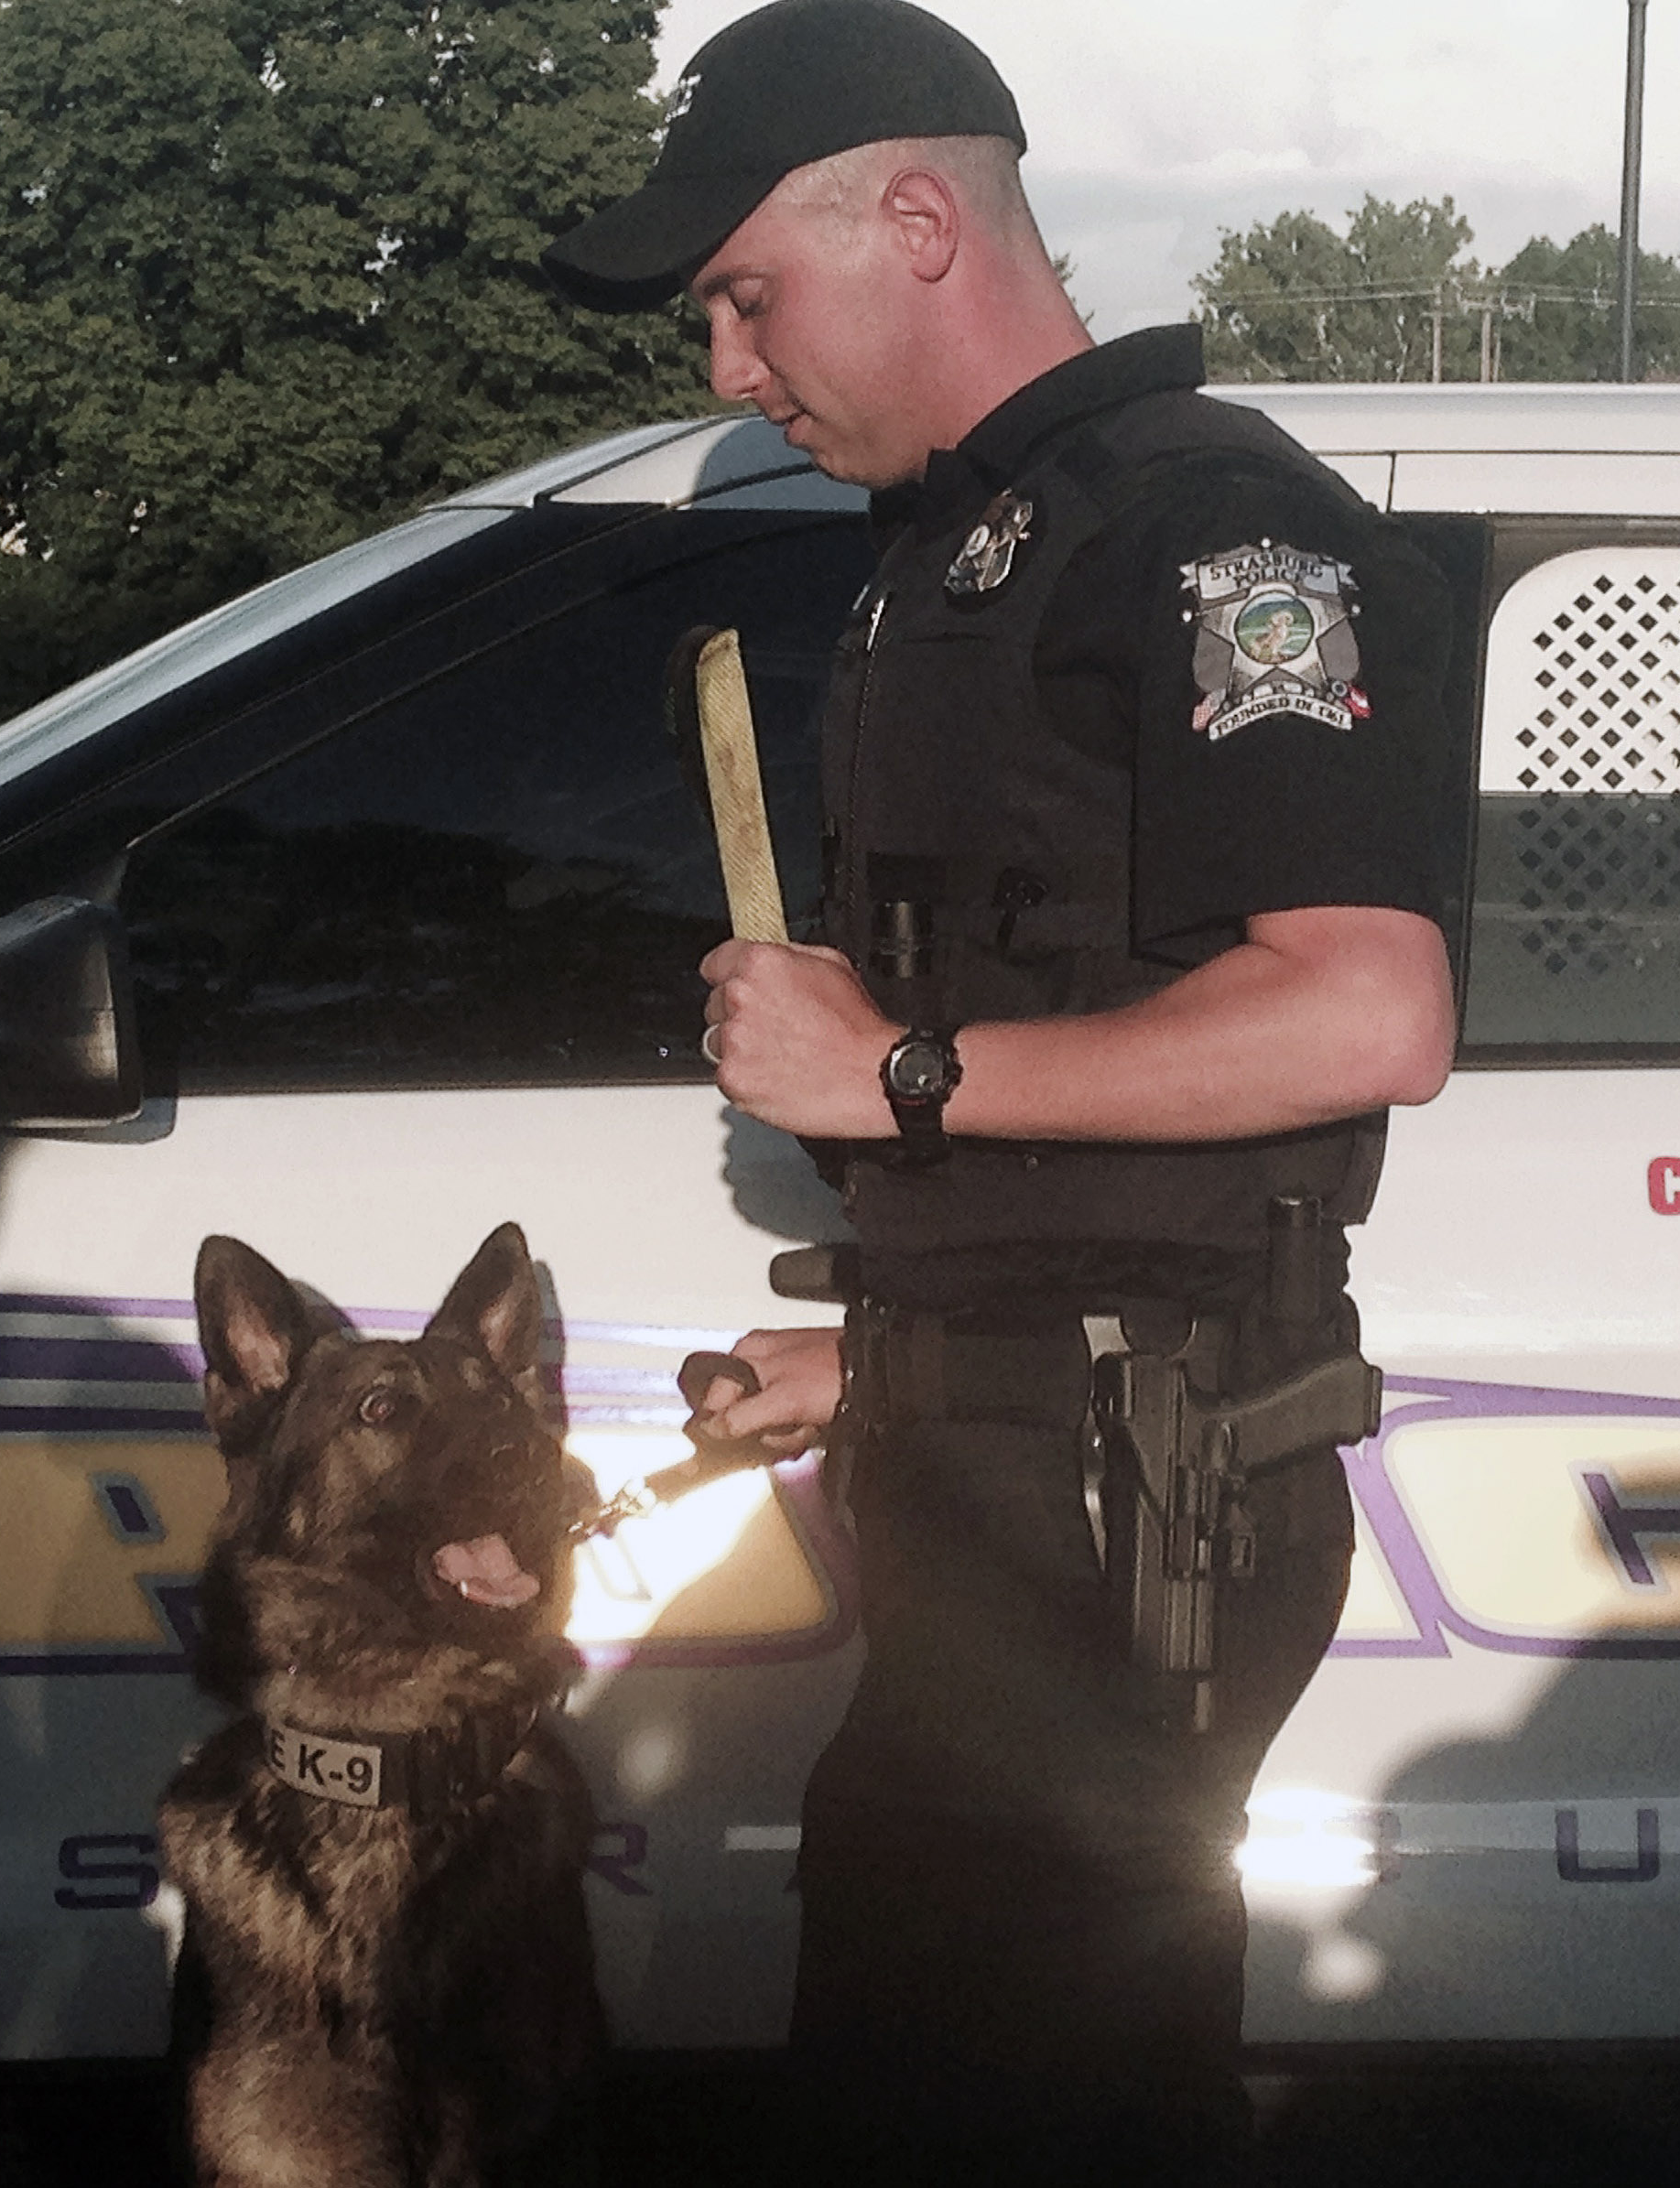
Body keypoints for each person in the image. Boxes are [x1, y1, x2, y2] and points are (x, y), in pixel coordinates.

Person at [544, 2, 1461, 2175]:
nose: (731, 374)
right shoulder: (972, 545)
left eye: (746, 300)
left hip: (1127, 1492)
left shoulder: (1217, 533)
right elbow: (1088, 1088)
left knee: (1021, 2079)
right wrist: (877, 1343)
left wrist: (898, 1068)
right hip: (1008, 1441)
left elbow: (1361, 1012)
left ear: (921, 220)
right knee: (935, 2045)